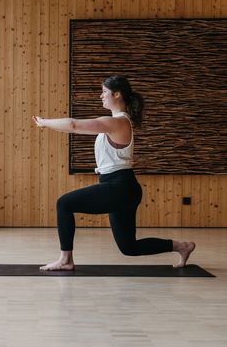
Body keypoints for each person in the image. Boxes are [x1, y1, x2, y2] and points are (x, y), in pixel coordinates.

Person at [32, 75, 195, 271]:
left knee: (64, 204)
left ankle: (65, 260)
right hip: (122, 187)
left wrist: (44, 122)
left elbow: (74, 125)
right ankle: (182, 246)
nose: (101, 96)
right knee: (129, 247)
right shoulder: (116, 123)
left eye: (104, 92)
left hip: (119, 186)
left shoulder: (118, 122)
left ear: (117, 94)